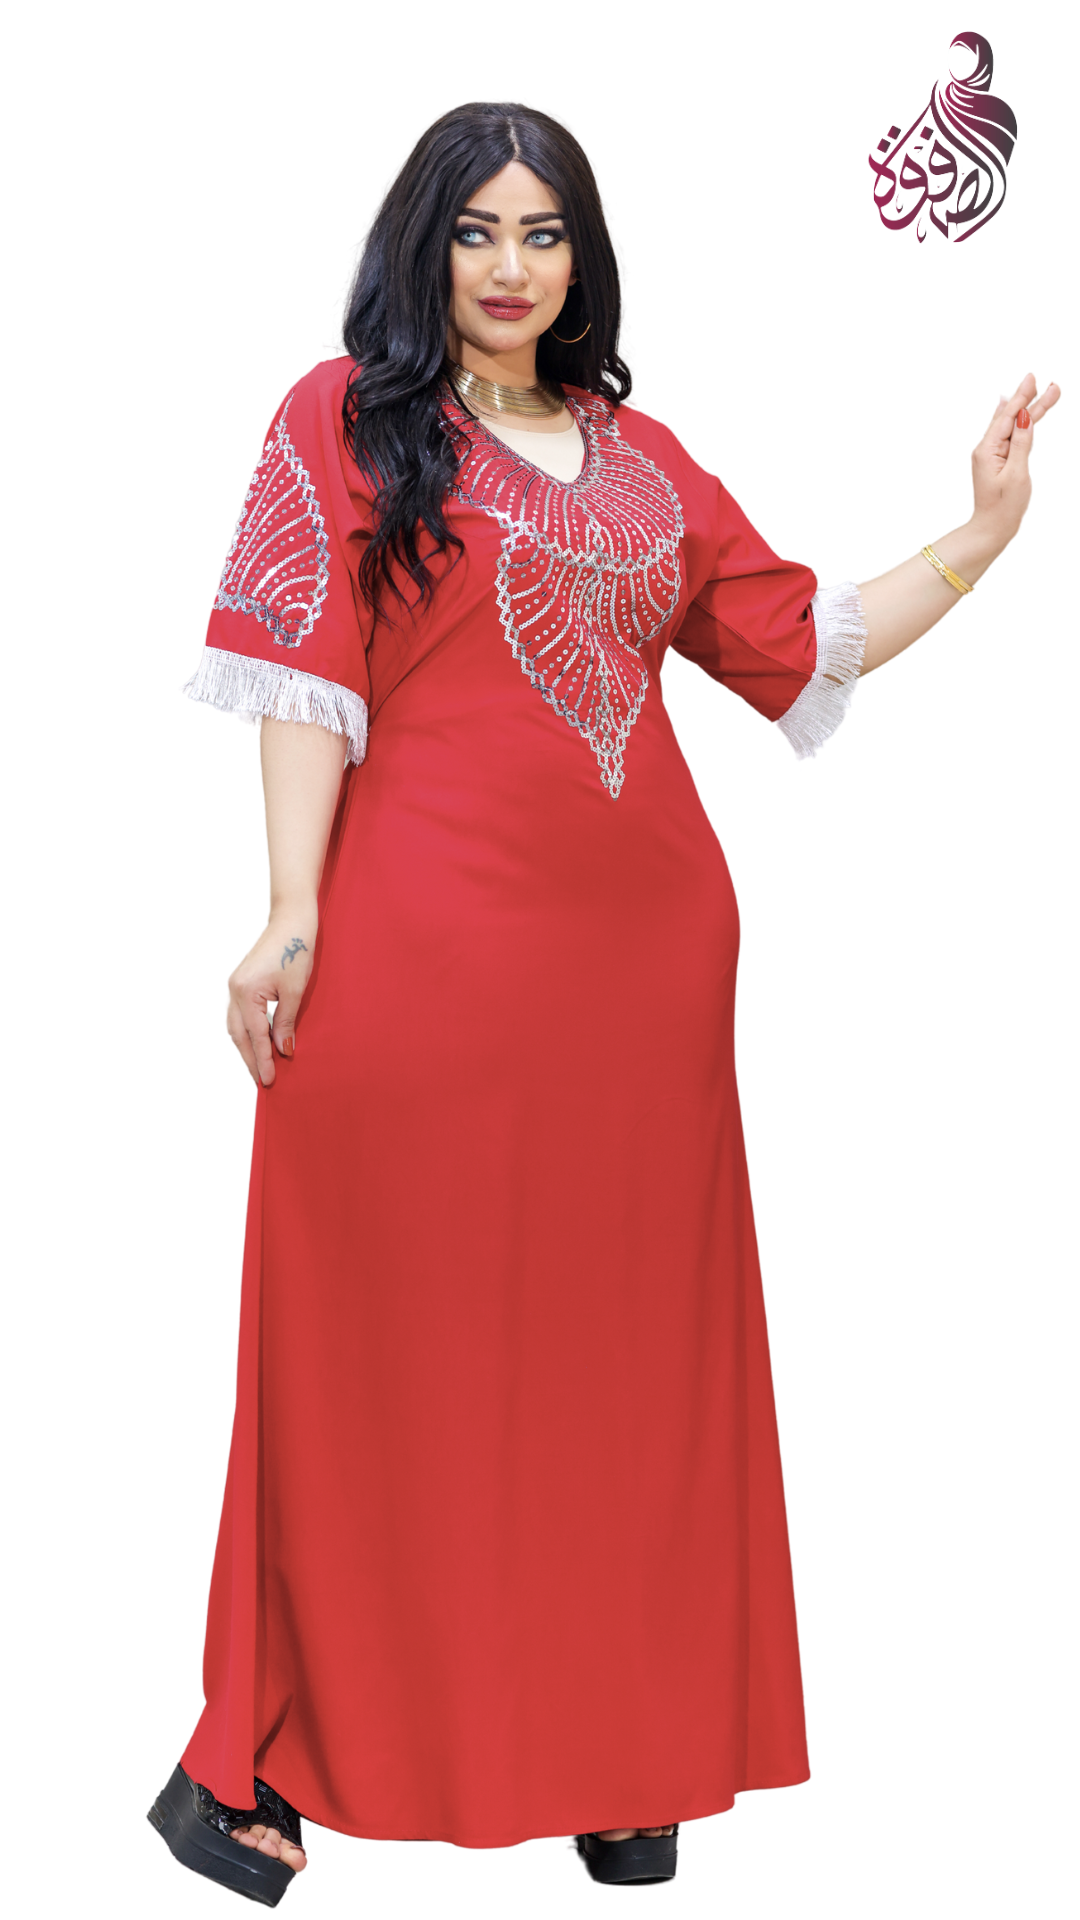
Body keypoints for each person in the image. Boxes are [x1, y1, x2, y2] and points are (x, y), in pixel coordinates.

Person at [147, 101, 1059, 1902]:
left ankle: (618, 1749)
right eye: (478, 229)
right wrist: (288, 911)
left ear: (586, 257)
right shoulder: (344, 420)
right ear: (425, 243)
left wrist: (987, 530)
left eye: (544, 231)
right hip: (418, 961)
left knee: (623, 1373)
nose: (511, 266)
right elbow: (304, 672)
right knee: (366, 1345)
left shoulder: (648, 463)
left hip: (640, 990)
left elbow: (802, 645)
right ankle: (257, 1763)